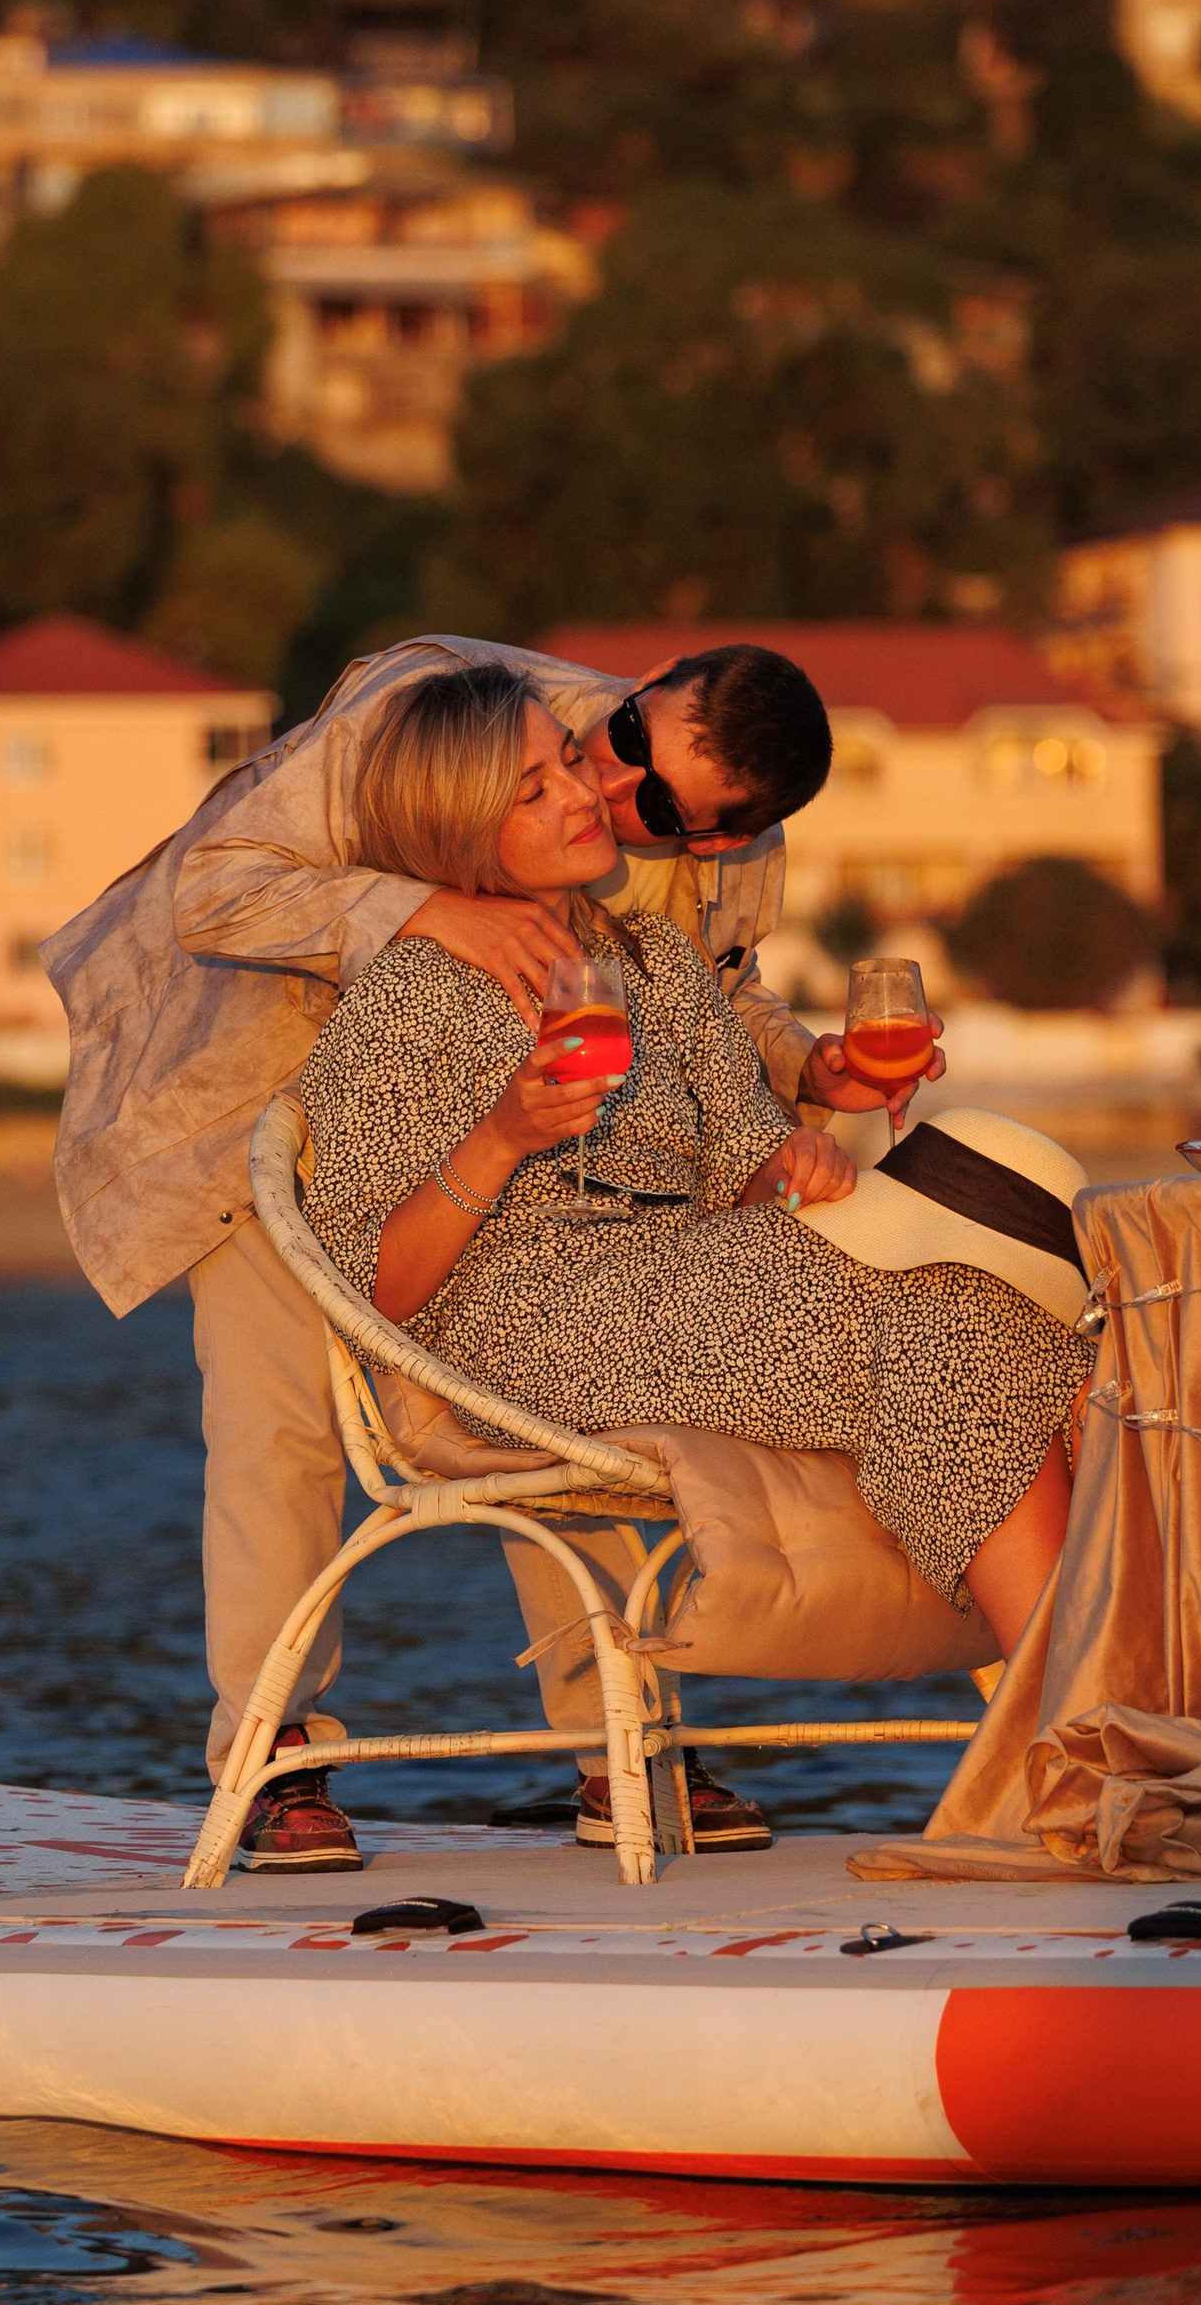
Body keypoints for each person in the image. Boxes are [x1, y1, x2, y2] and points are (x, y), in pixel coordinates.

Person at [42, 627, 943, 1870]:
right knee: (279, 1434)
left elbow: (710, 990)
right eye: (621, 738)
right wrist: (424, 908)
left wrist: (807, 1068)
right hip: (270, 1095)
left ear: (713, 837)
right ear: (646, 687)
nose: (608, 785)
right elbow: (213, 886)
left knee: (587, 1387)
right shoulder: (453, 715)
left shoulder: (725, 854)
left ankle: (615, 1742)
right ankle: (274, 1755)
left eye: (658, 807)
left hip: (529, 1145)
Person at [289, 664, 1085, 1865]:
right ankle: (1073, 1747)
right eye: (533, 789)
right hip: (520, 1319)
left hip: (685, 1279)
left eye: (568, 760)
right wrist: (499, 1136)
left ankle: (1086, 1729)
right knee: (944, 1319)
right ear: (457, 825)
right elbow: (368, 1292)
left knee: (1027, 1310)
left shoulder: (656, 963)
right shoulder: (410, 992)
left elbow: (754, 1167)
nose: (581, 796)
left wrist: (794, 1165)